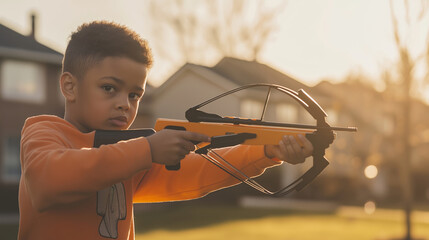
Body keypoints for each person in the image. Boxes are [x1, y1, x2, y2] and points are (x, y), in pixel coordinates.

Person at [18, 21, 314, 240]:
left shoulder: (130, 156)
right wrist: (148, 149)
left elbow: (196, 171)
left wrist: (264, 151)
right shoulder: (44, 132)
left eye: (135, 95)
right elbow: (48, 183)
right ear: (69, 86)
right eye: (109, 88)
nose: (125, 104)